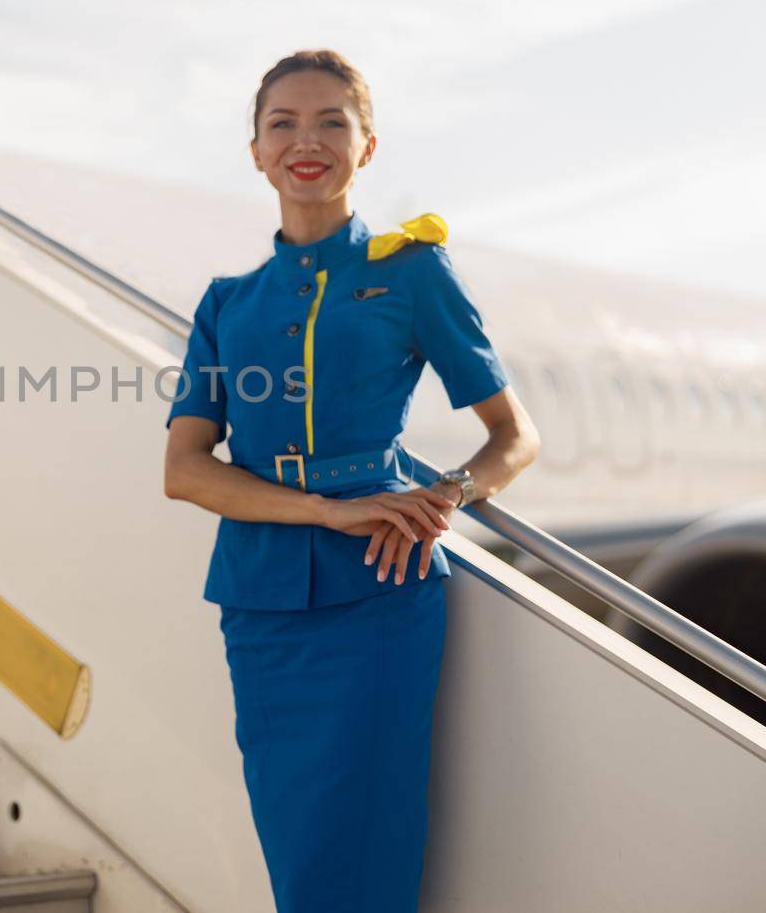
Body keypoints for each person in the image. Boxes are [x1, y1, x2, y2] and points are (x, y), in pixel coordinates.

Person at [163, 49, 540, 911]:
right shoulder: (227, 303)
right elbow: (184, 472)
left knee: (369, 845)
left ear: (366, 146)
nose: (308, 141)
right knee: (298, 854)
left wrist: (448, 493)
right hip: (259, 606)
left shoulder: (411, 271)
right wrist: (323, 511)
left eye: (333, 120)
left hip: (382, 588)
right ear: (255, 151)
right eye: (283, 124)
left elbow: (514, 437)